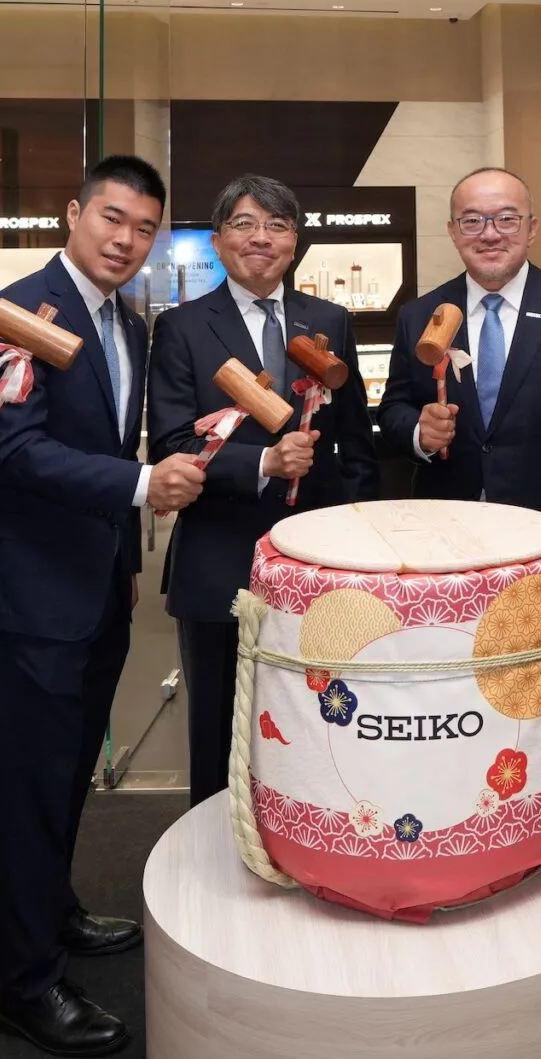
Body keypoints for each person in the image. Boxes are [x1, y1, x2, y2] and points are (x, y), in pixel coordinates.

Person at [0, 154, 206, 1058]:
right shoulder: (18, 313)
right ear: (74, 213)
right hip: (29, 593)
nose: (125, 239)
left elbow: (97, 439)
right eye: (112, 217)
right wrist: (142, 486)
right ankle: (24, 986)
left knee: (66, 772)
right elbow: (14, 449)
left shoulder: (126, 321)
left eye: (144, 227)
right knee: (30, 784)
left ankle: (52, 910)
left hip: (96, 583)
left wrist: (122, 557)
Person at [147, 173, 378, 808]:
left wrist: (362, 543)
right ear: (218, 240)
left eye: (277, 225)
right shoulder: (182, 328)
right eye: (244, 224)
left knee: (319, 721)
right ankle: (218, 854)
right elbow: (171, 443)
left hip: (320, 564)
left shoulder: (328, 321)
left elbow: (355, 441)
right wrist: (263, 462)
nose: (261, 238)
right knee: (220, 728)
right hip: (219, 559)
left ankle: (314, 837)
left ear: (295, 242)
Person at [378, 167, 541, 567]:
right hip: (443, 533)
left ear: (532, 229)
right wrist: (419, 433)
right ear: (453, 231)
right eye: (472, 221)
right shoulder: (421, 315)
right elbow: (393, 408)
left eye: (507, 219)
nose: (490, 234)